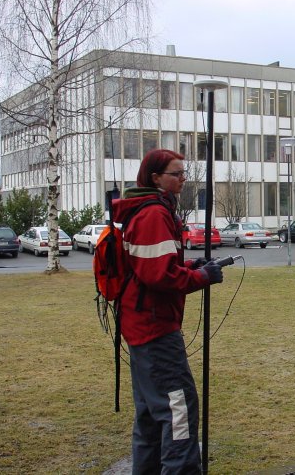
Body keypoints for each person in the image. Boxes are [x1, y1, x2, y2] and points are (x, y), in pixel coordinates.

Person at [112, 149, 224, 474]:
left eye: (183, 172)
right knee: (179, 409)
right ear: (155, 178)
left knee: (150, 415)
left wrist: (190, 266)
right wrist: (201, 277)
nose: (183, 178)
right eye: (176, 173)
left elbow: (156, 265)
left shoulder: (151, 211)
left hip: (141, 326)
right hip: (154, 330)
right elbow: (157, 275)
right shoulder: (153, 215)